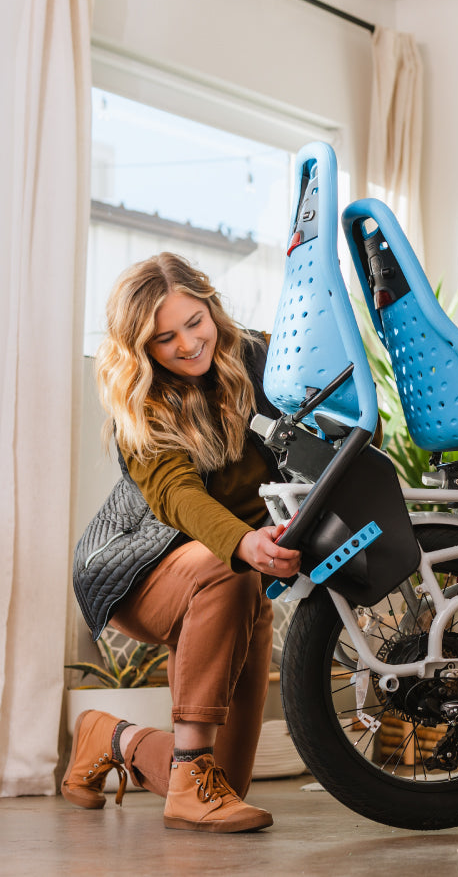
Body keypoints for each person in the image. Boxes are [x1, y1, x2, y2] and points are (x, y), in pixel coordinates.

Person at [63, 252, 299, 833]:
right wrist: (243, 544)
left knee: (227, 785)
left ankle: (111, 737)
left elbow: (314, 413)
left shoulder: (251, 357)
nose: (188, 344)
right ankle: (191, 768)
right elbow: (177, 495)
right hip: (134, 566)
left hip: (233, 567)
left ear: (210, 304)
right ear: (142, 349)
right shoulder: (141, 400)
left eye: (194, 322)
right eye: (165, 338)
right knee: (229, 570)